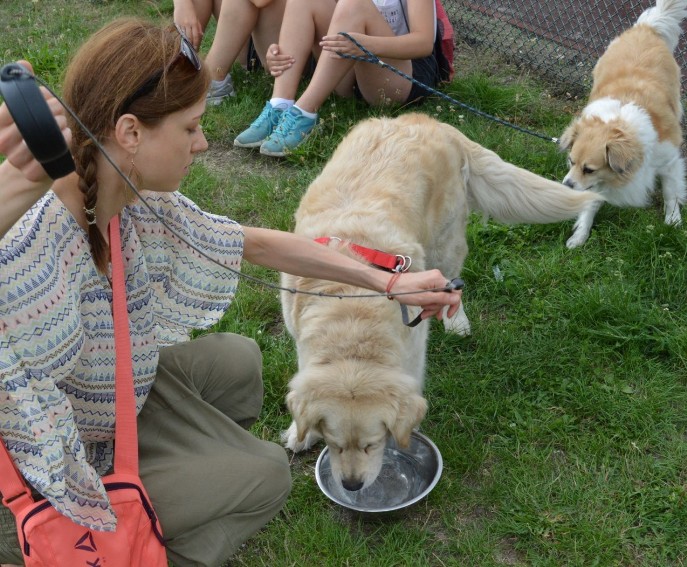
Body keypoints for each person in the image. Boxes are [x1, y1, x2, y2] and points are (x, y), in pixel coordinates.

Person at [0, 19, 461, 567]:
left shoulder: (132, 199)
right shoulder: (38, 253)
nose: (204, 143)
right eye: (191, 128)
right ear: (130, 133)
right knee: (266, 474)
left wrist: (387, 281)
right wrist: (13, 185)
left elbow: (259, 245)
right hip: (60, 458)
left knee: (241, 363)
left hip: (115, 387)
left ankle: (189, 454)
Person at [234, 0, 440, 157]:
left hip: (397, 75)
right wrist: (279, 52)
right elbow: (334, 25)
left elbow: (423, 43)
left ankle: (304, 113)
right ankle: (279, 105)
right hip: (349, 72)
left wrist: (368, 46)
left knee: (355, 4)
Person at [175, 0, 285, 105]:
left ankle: (213, 78)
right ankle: (178, 69)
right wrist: (182, 4)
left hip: (279, 52)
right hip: (249, 32)